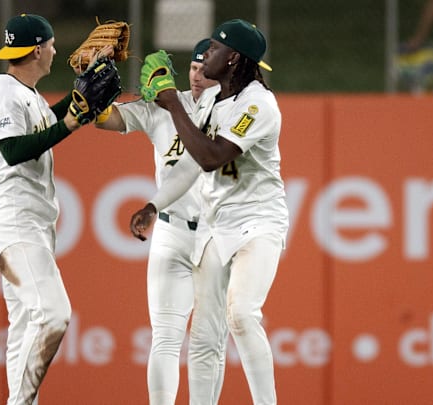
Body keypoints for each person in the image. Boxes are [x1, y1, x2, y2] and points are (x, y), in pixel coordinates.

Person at [130, 19, 288, 405]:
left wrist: (171, 104)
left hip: (259, 222)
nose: (206, 55)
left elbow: (212, 157)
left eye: (215, 49)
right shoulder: (215, 104)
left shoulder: (258, 103)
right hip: (218, 226)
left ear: (233, 58)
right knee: (203, 335)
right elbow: (188, 166)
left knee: (242, 314)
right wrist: (155, 204)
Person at [92, 39, 222, 405]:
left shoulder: (231, 110)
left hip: (215, 235)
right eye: (194, 68)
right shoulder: (165, 103)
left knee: (210, 340)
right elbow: (107, 119)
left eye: (205, 69)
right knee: (166, 335)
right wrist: (91, 83)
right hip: (172, 229)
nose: (197, 75)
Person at [0, 13, 95, 405]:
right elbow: (13, 150)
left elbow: (49, 121)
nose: (56, 50)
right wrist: (69, 126)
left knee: (25, 324)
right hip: (14, 222)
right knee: (53, 314)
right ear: (36, 49)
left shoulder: (25, 94)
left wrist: (81, 99)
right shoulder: (4, 93)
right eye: (51, 44)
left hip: (32, 223)